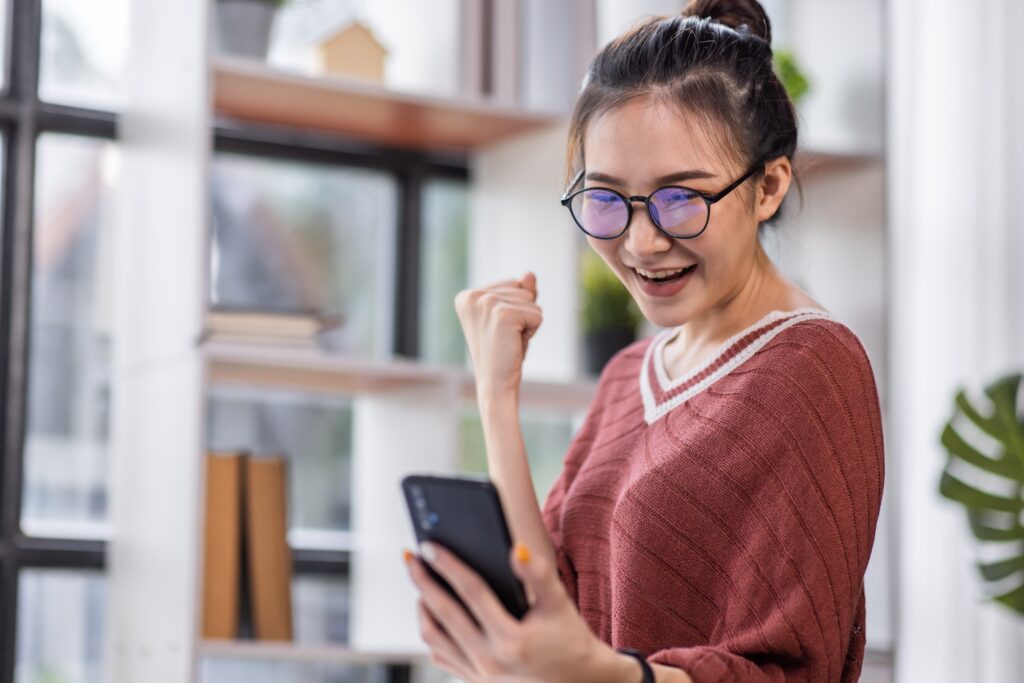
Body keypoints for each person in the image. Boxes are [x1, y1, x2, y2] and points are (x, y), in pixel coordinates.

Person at [402, 0, 885, 681]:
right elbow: (558, 616)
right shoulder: (629, 374)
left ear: (769, 185)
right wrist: (496, 396)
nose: (641, 241)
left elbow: (786, 669)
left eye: (680, 198)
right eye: (606, 200)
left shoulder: (813, 366)